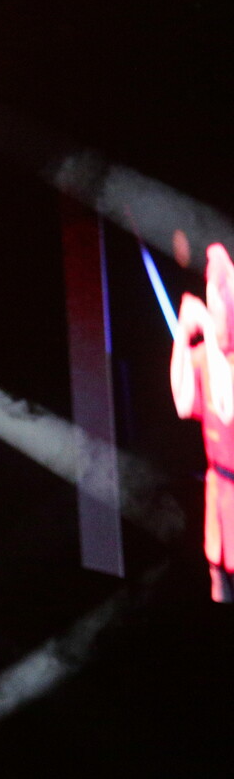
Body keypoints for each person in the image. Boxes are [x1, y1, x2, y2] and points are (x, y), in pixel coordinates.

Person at [171, 242, 234, 602]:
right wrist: (183, 333)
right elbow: (182, 402)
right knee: (218, 580)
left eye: (223, 303)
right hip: (219, 491)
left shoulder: (224, 361)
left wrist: (208, 332)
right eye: (214, 303)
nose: (219, 311)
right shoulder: (204, 357)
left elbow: (226, 406)